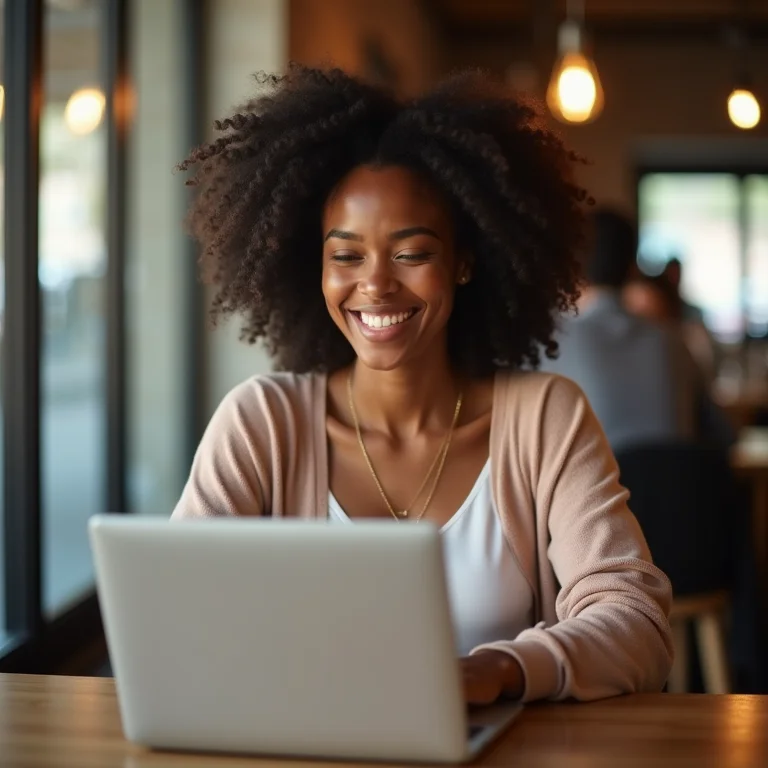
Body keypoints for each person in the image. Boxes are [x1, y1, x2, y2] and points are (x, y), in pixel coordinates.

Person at [172, 65, 672, 705]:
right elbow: (179, 614)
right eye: (346, 255)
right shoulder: (261, 423)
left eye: (411, 253)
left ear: (464, 262)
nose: (376, 285)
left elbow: (637, 622)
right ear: (315, 267)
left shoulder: (545, 418)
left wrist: (499, 671)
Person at [541, 209, 731, 451]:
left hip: (598, 484)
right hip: (677, 485)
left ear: (574, 268)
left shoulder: (553, 344)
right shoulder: (671, 340)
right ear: (633, 268)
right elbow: (722, 432)